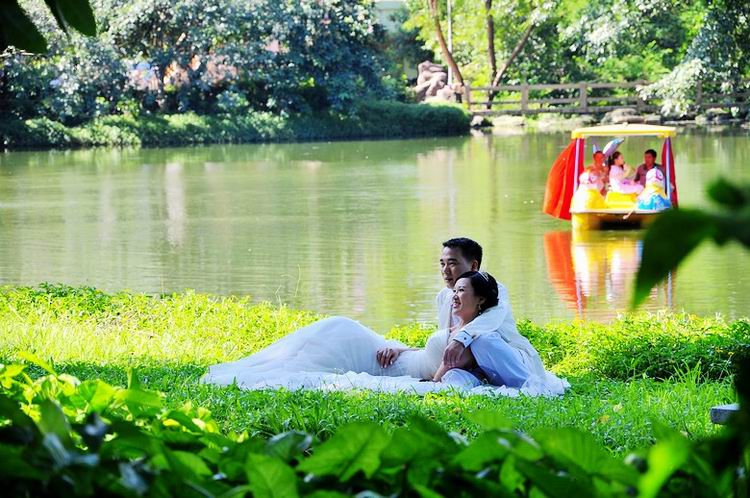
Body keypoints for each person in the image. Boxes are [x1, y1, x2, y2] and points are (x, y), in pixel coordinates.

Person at [201, 269, 509, 390]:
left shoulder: (474, 338)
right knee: (338, 327)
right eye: (455, 290)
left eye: (461, 291)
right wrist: (400, 347)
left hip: (390, 371)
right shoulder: (457, 322)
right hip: (388, 353)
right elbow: (431, 352)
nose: (454, 294)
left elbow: (436, 379)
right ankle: (271, 362)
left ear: (481, 299)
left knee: (317, 362)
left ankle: (269, 370)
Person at [427, 238, 560, 390]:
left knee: (481, 340)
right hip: (472, 366)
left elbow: (488, 321)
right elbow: (445, 339)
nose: (445, 270)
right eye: (442, 264)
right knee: (453, 379)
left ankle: (527, 385)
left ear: (474, 265)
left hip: (502, 358)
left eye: (452, 263)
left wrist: (460, 340)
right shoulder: (444, 296)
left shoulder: (495, 290)